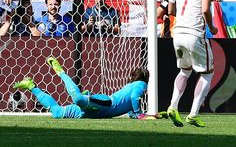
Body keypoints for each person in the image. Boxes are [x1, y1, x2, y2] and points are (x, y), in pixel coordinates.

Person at [13, 57, 160, 120]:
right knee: (78, 99)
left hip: (96, 113)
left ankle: (31, 86)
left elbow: (130, 110)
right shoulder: (141, 84)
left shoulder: (131, 85)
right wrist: (140, 114)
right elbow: (135, 99)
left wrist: (145, 115)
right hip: (106, 103)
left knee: (57, 113)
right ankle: (61, 72)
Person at [167, 0, 218, 127]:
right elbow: (205, 9)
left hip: (178, 33)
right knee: (208, 72)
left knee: (185, 71)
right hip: (195, 33)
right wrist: (212, 27)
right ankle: (193, 113)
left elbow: (170, 10)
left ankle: (173, 106)